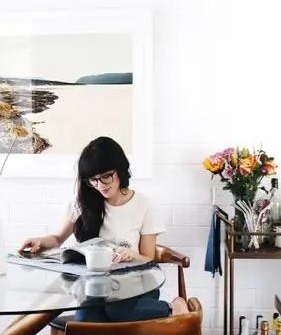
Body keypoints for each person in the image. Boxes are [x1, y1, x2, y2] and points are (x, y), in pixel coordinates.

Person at [19, 136, 188, 321]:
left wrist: (131, 255)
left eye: (106, 176)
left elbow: (148, 258)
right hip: (97, 287)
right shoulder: (83, 203)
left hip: (137, 283)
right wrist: (40, 241)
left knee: (118, 311)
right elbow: (58, 239)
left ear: (120, 169)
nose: (100, 185)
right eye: (93, 179)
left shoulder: (143, 205)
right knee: (84, 320)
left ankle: (172, 307)